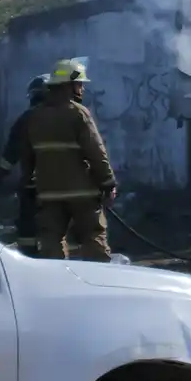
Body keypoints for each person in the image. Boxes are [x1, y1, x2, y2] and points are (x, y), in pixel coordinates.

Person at [22, 58, 118, 261]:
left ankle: (56, 282)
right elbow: (96, 150)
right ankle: (100, 282)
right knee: (93, 236)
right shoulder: (78, 113)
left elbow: (28, 154)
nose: (82, 88)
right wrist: (108, 183)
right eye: (80, 83)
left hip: (49, 193)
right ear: (70, 85)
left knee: (51, 241)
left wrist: (29, 186)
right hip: (82, 192)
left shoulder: (35, 116)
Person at [0, 74, 50, 256]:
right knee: (59, 223)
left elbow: (11, 151)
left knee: (28, 224)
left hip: (33, 184)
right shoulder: (66, 116)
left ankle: (28, 255)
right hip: (63, 183)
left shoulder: (26, 119)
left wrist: (0, 175)